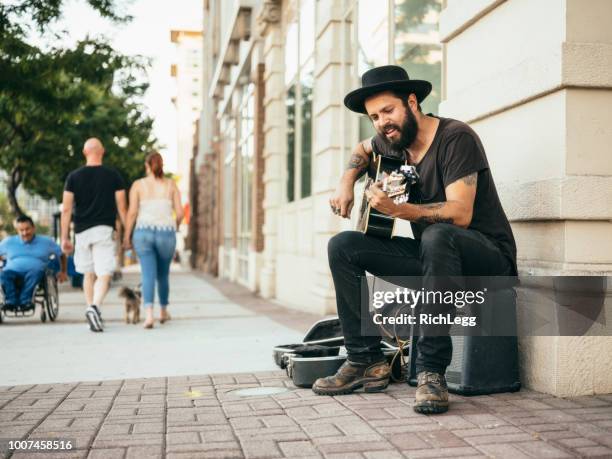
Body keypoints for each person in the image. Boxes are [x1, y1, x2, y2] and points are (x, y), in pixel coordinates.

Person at [313, 65, 517, 414]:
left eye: (388, 111)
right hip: (435, 258)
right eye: (374, 117)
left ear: (412, 102)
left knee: (439, 234)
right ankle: (366, 361)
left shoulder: (456, 137)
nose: (382, 123)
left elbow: (461, 214)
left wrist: (397, 210)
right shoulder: (393, 142)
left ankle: (431, 373)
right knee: (343, 247)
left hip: (487, 258)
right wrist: (346, 181)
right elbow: (363, 150)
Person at [61, 138, 127, 332]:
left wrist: (65, 237)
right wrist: (127, 234)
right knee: (104, 273)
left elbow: (66, 209)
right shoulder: (113, 176)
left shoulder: (73, 177)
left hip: (81, 231)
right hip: (104, 230)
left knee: (88, 273)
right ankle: (94, 307)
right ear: (103, 152)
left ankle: (91, 310)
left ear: (84, 152)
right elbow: (122, 207)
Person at [123, 152, 183, 329]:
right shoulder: (171, 185)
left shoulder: (138, 185)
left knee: (147, 274)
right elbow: (180, 213)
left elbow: (132, 212)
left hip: (143, 233)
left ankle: (149, 316)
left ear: (146, 166)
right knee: (163, 275)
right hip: (166, 233)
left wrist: (127, 235)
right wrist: (175, 225)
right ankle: (163, 311)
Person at [0, 215, 67, 310]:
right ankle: (11, 301)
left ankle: (25, 301)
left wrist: (63, 271)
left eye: (27, 229)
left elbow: (61, 254)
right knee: (3, 274)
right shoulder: (9, 241)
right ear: (17, 231)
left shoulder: (46, 241)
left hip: (35, 272)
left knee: (35, 272)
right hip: (12, 271)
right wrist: (2, 260)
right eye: (21, 230)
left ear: (33, 228)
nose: (25, 233)